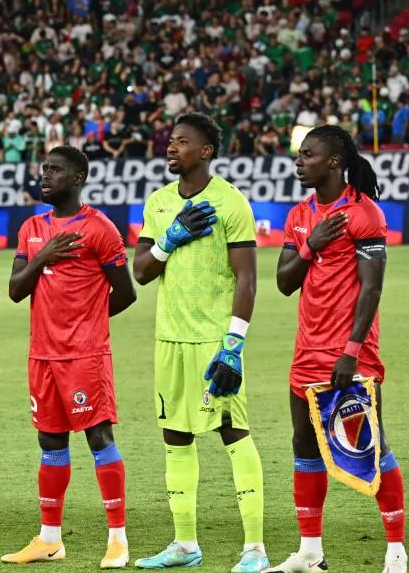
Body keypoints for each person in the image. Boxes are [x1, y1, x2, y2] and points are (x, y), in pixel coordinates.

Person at [132, 113, 268, 572]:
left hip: (214, 340)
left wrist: (234, 344)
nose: (171, 148)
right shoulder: (159, 202)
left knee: (234, 435)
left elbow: (247, 279)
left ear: (206, 151)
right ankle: (185, 545)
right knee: (176, 437)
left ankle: (254, 548)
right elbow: (142, 271)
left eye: (182, 142)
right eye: (170, 141)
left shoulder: (230, 202)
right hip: (169, 337)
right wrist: (170, 239)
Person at [269, 125, 404, 573]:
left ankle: (396, 551)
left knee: (372, 446)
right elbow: (285, 281)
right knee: (304, 446)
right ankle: (310, 553)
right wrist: (312, 244)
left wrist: (351, 350)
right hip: (306, 351)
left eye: (307, 155)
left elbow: (371, 289)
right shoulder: (299, 215)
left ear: (332, 162)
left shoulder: (364, 214)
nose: (299, 161)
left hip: (351, 356)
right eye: (299, 154)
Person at [4, 146, 137, 568]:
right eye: (44, 169)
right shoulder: (31, 227)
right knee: (50, 441)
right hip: (42, 355)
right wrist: (42, 257)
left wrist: (88, 322)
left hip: (85, 356)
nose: (45, 176)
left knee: (98, 438)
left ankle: (118, 539)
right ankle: (49, 539)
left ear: (77, 178)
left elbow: (126, 292)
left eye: (56, 170)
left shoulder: (99, 228)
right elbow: (15, 289)